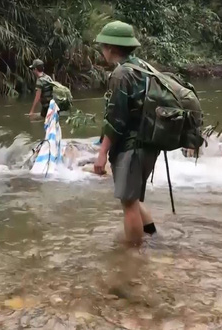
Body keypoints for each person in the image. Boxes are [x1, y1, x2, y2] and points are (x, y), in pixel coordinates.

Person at [92, 20, 159, 247]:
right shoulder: (144, 67)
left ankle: (133, 259)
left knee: (128, 202)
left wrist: (102, 153)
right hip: (150, 143)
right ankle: (153, 238)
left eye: (103, 46)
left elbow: (116, 119)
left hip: (131, 147)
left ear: (111, 47)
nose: (102, 51)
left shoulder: (121, 74)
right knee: (133, 197)